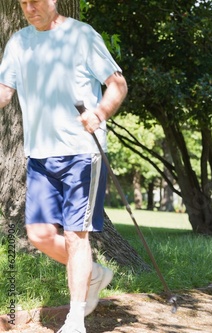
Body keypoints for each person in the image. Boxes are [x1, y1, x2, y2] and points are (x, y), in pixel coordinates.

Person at [0, 1, 127, 332]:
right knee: (39, 234)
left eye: (36, 1)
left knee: (75, 235)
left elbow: (117, 84)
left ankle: (75, 317)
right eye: (23, 2)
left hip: (82, 152)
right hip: (39, 154)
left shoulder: (82, 36)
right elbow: (4, 91)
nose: (29, 8)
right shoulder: (18, 42)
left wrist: (98, 114)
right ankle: (94, 275)